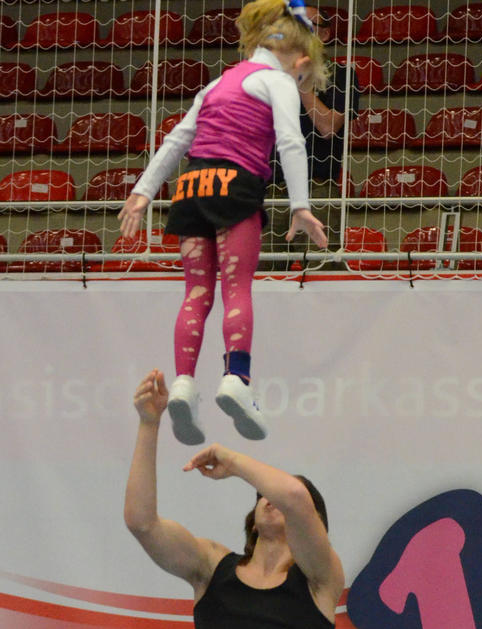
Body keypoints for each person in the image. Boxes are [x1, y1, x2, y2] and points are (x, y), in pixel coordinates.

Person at [124, 369, 345, 629]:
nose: (271, 498)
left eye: (280, 495)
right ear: (253, 519)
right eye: (262, 495)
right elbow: (141, 522)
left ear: (314, 526)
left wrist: (234, 461)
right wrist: (149, 423)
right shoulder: (212, 566)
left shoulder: (321, 581)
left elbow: (294, 497)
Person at [118, 0, 329, 447]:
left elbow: (177, 139)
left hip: (191, 186)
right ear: (300, 61)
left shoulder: (216, 83)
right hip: (235, 186)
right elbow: (291, 141)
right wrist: (300, 205)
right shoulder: (277, 80)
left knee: (196, 293)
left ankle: (183, 384)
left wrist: (142, 192)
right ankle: (236, 378)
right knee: (237, 289)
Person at [269, 5, 360, 254]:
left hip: (317, 188)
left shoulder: (341, 76)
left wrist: (301, 83)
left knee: (320, 267)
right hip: (271, 190)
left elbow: (328, 127)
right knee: (263, 271)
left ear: (325, 34)